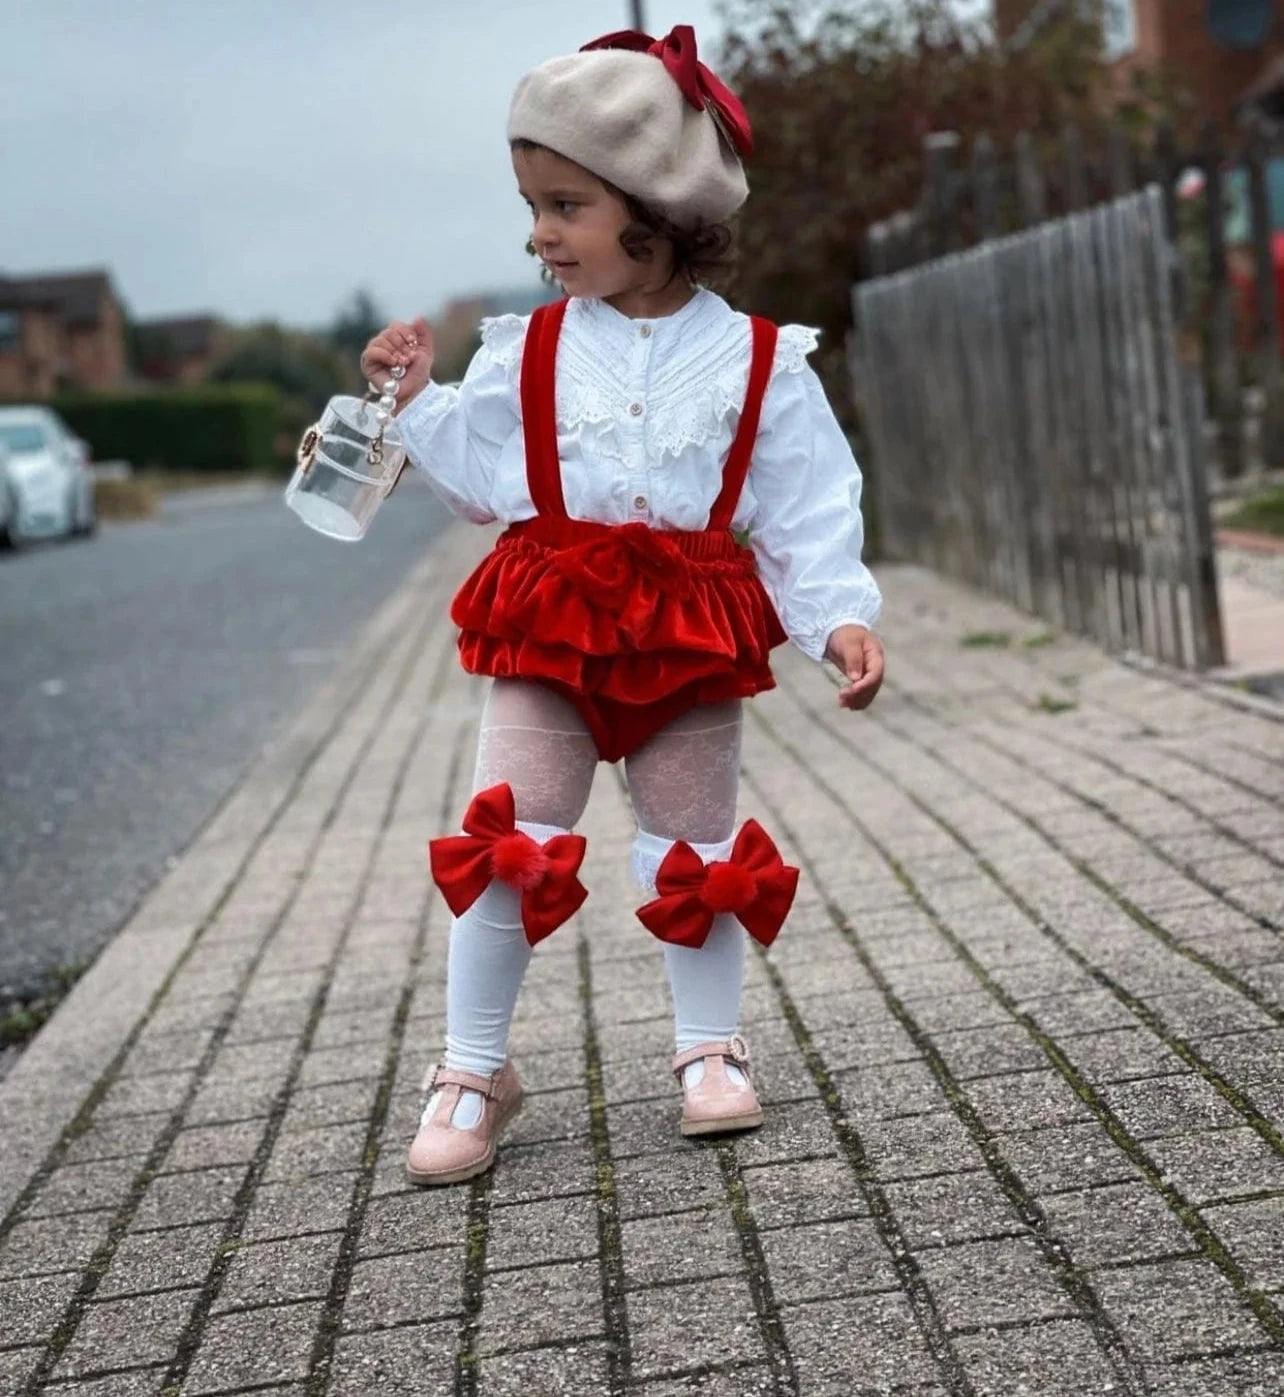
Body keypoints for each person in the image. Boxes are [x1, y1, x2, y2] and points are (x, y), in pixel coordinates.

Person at [359, 25, 884, 1187]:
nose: (540, 234)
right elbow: (478, 479)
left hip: (691, 624)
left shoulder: (761, 359)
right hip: (550, 612)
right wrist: (413, 401)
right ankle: (472, 1066)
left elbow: (803, 506)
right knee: (512, 842)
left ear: (658, 209)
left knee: (694, 850)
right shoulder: (527, 348)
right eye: (531, 207)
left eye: (565, 205)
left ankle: (709, 1049)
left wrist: (837, 616)